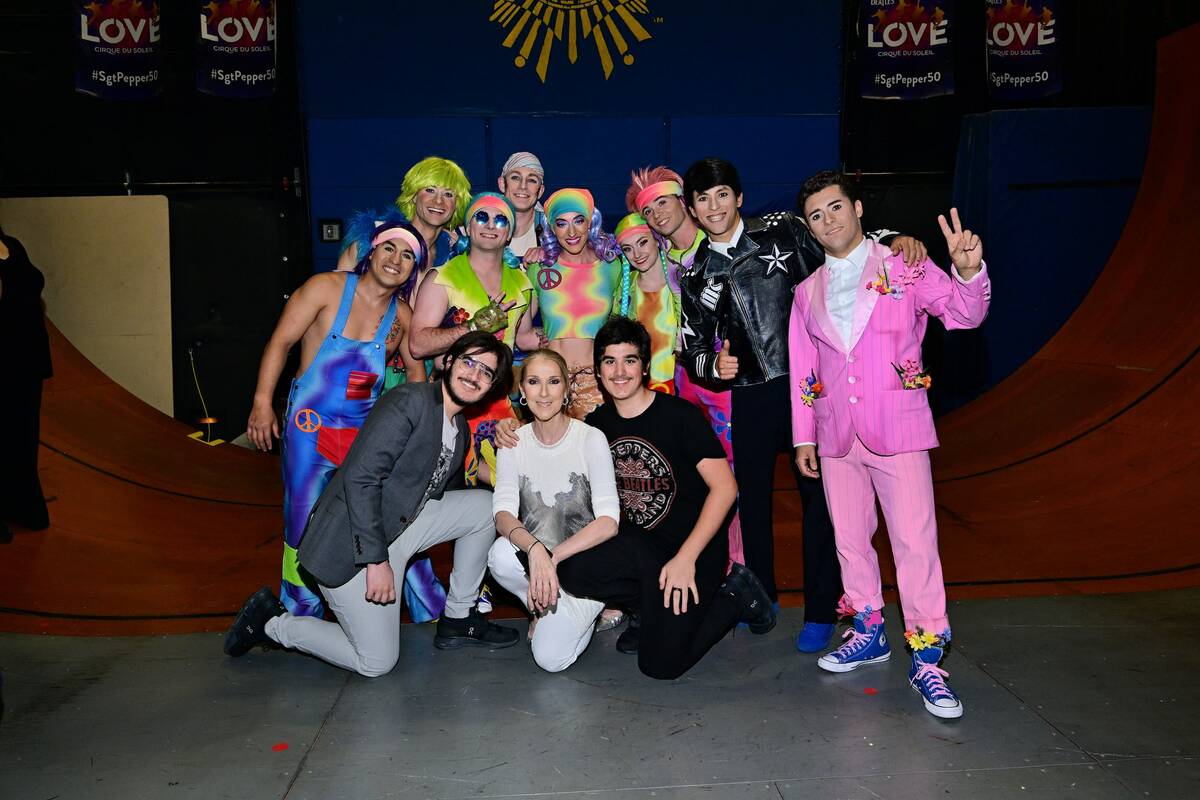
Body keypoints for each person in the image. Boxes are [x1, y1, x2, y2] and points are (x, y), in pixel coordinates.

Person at [678, 157, 927, 653]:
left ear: (740, 197)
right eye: (703, 199)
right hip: (749, 396)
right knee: (751, 505)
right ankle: (761, 598)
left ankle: (822, 609)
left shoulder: (785, 230)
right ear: (693, 208)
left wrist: (897, 237)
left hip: (810, 389)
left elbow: (847, 241)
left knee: (824, 504)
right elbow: (692, 347)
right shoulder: (696, 274)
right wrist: (713, 368)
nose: (714, 206)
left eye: (723, 194)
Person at [789, 171, 990, 719]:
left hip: (898, 428)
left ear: (857, 208)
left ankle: (927, 656)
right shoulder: (807, 294)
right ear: (809, 229)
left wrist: (967, 271)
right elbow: (804, 369)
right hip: (835, 437)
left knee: (914, 543)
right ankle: (870, 629)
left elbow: (964, 315)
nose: (828, 220)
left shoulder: (903, 263)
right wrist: (804, 435)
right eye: (816, 215)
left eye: (835, 208)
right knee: (850, 541)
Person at [224, 333, 522, 675]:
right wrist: (376, 560)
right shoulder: (410, 401)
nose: (474, 375)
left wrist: (511, 448)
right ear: (448, 362)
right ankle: (272, 622)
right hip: (351, 545)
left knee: (484, 507)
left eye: (486, 371)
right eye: (468, 362)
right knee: (376, 661)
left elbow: (449, 497)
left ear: (491, 386)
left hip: (400, 527)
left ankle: (458, 617)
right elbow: (360, 478)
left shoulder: (459, 431)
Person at [554, 317, 777, 680]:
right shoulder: (596, 427)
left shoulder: (680, 416)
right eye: (609, 361)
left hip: (692, 552)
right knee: (573, 571)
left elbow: (726, 489)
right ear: (598, 371)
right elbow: (551, 444)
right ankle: (648, 606)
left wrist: (687, 558)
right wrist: (510, 432)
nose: (619, 371)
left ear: (644, 366)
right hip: (641, 553)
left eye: (629, 360)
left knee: (660, 665)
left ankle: (737, 595)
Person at [246, 220, 427, 617]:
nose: (396, 260)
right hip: (310, 426)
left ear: (414, 268)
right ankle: (299, 611)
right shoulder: (325, 288)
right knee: (302, 516)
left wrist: (409, 426)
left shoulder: (402, 316)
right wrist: (262, 402)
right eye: (389, 249)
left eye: (407, 255)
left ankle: (426, 606)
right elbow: (281, 341)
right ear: (372, 251)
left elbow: (416, 374)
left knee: (387, 512)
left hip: (365, 431)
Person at [625, 168, 744, 569]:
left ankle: (736, 567)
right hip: (680, 377)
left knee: (728, 472)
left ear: (685, 202)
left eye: (663, 201)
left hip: (720, 376)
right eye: (648, 208)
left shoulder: (718, 244)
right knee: (689, 474)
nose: (657, 213)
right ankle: (705, 563)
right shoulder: (659, 254)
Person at [486, 349, 620, 671]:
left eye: (553, 382)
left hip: (585, 565)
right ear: (522, 391)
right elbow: (502, 513)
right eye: (534, 382)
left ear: (566, 390)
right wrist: (534, 550)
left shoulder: (590, 438)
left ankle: (590, 607)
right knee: (500, 555)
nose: (543, 393)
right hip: (540, 561)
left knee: (550, 660)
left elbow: (609, 522)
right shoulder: (512, 442)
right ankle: (542, 607)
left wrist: (552, 557)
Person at [410, 192, 542, 486]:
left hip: (497, 402)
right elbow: (418, 345)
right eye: (481, 217)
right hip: (450, 403)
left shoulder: (521, 282)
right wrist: (473, 326)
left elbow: (523, 338)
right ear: (468, 227)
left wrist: (567, 332)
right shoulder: (442, 277)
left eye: (500, 220)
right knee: (447, 489)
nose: (490, 225)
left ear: (509, 233)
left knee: (512, 486)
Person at [530, 188, 622, 419]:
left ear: (591, 222)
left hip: (594, 383)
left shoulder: (612, 267)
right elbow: (520, 334)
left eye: (579, 221)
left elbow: (621, 325)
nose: (571, 231)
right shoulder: (539, 267)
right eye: (561, 223)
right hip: (548, 381)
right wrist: (541, 335)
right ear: (551, 228)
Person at [0, 226, 52, 543]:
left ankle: (21, 503)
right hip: (3, 358)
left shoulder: (12, 244)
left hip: (26, 359)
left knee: (24, 433)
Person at [336, 156, 471, 272]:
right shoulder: (373, 238)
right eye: (430, 190)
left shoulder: (455, 253)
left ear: (456, 205)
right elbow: (337, 293)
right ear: (414, 196)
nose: (438, 201)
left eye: (448, 194)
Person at [612, 213, 678, 394]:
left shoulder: (680, 280)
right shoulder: (624, 287)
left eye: (642, 242)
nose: (637, 254)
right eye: (628, 248)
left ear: (657, 239)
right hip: (638, 391)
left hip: (682, 386)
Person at [497, 151, 547, 260]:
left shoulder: (553, 232)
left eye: (532, 180)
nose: (523, 186)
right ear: (502, 184)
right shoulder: (479, 227)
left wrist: (552, 252)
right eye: (515, 178)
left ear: (540, 191)